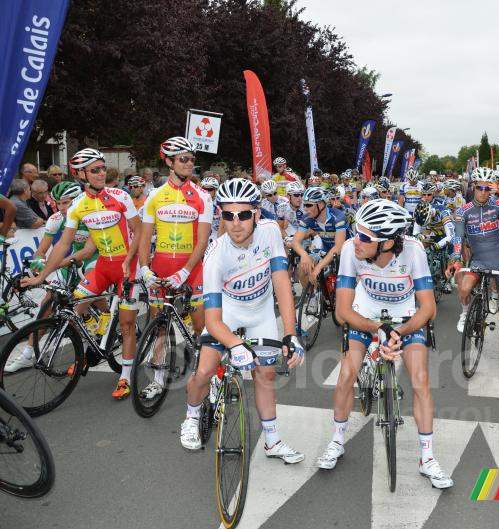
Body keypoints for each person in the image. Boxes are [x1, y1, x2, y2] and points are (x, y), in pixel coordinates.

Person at [317, 199, 454, 489]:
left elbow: (428, 308)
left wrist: (398, 331)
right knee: (345, 377)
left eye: (365, 237)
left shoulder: (414, 251)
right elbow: (342, 312)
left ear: (388, 243)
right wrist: (376, 328)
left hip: (405, 317)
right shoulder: (351, 251)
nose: (356, 240)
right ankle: (337, 440)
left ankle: (427, 458)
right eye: (356, 231)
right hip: (364, 315)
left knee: (420, 380)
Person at [180, 178, 305, 463]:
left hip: (260, 311)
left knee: (266, 374)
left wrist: (290, 332)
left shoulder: (271, 232)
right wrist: (235, 345)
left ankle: (272, 441)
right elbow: (212, 320)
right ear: (221, 216)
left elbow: (281, 283)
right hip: (227, 314)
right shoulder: (215, 255)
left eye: (244, 214)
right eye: (228, 215)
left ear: (257, 214)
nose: (236, 223)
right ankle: (191, 415)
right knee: (205, 371)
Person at [21, 148, 142, 399]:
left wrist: (131, 261)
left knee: (127, 324)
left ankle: (125, 377)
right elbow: (63, 244)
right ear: (81, 174)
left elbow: (139, 232)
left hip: (126, 268)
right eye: (95, 169)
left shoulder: (121, 196)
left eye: (102, 168)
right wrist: (42, 276)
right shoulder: (78, 205)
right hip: (103, 267)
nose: (101, 173)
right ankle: (91, 349)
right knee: (76, 308)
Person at [138, 137, 212, 398]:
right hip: (161, 265)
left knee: (201, 324)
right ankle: (157, 379)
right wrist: (144, 268)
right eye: (183, 159)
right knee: (159, 323)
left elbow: (202, 241)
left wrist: (185, 270)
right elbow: (145, 238)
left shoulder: (202, 196)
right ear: (169, 162)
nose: (190, 164)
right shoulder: (154, 197)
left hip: (191, 267)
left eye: (192, 159)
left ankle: (209, 377)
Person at [4, 181, 100, 373]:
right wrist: (36, 264)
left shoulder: (92, 215)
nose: (61, 208)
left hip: (97, 258)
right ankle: (28, 354)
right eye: (58, 203)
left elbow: (86, 254)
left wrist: (50, 265)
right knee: (48, 302)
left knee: (82, 296)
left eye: (66, 203)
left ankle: (102, 333)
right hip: (72, 261)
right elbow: (42, 250)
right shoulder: (56, 218)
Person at [448, 167, 499, 371]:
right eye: (479, 187)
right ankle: (465, 311)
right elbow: (458, 238)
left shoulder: (498, 205)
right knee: (464, 288)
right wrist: (456, 259)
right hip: (479, 260)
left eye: (486, 188)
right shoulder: (463, 211)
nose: (482, 191)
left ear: (491, 189)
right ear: (473, 187)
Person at [292, 187, 347, 293]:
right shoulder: (307, 218)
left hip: (344, 252)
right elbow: (295, 241)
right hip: (326, 250)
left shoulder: (338, 217)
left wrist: (319, 267)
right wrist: (304, 255)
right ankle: (313, 297)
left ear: (321, 205)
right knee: (303, 268)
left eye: (309, 205)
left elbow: (338, 247)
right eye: (304, 205)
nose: (305, 209)